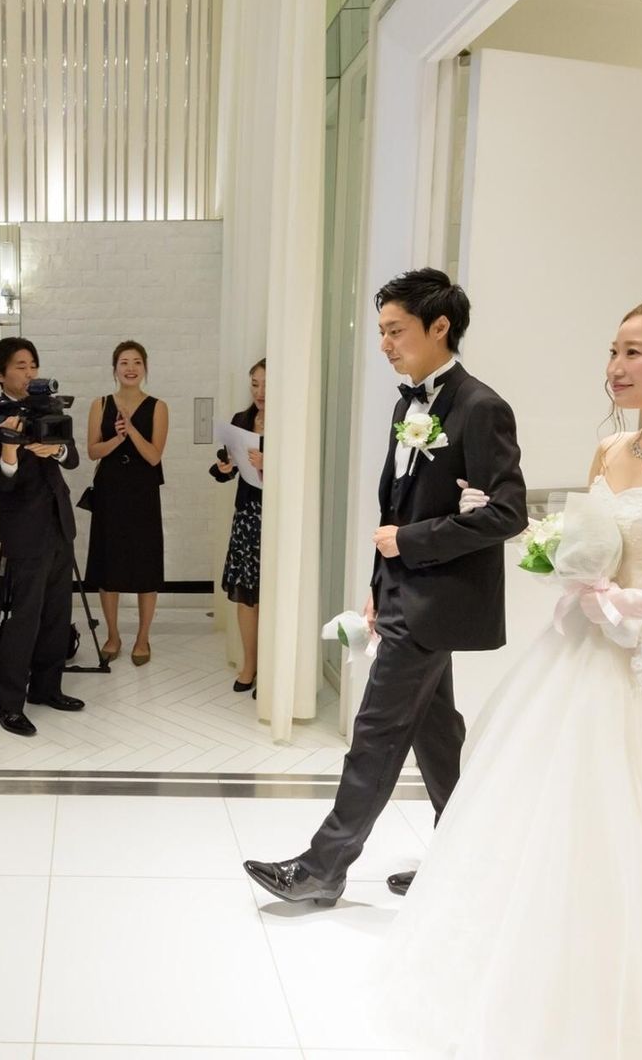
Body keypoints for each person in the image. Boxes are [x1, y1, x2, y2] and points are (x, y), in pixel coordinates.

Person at [374, 298, 642, 1058]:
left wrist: (634, 605)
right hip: (585, 651)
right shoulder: (611, 450)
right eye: (613, 350)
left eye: (634, 352)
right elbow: (586, 544)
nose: (615, 366)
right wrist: (558, 558)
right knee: (557, 817)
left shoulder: (481, 406)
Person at [243, 268, 527, 905]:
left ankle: (323, 868)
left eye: (395, 331)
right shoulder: (409, 405)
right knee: (436, 735)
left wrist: (411, 544)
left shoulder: (481, 407)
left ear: (440, 326)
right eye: (381, 331)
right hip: (405, 592)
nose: (385, 345)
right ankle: (465, 862)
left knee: (375, 732)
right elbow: (397, 506)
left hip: (438, 599)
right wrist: (381, 581)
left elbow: (508, 514)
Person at [0, 337, 84, 736]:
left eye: (33, 365)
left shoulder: (49, 406)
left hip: (59, 522)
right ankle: (7, 704)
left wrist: (54, 451)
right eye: (20, 366)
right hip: (23, 528)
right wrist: (9, 449)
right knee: (24, 617)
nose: (29, 373)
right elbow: (5, 482)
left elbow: (72, 457)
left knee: (57, 612)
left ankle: (46, 688)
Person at [84, 340, 168, 665]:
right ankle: (113, 634)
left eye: (136, 362)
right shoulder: (101, 404)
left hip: (143, 493)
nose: (130, 368)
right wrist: (117, 438)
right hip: (110, 491)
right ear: (115, 368)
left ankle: (143, 637)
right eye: (124, 362)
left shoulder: (158, 406)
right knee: (109, 565)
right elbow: (92, 451)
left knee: (146, 564)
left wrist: (131, 431)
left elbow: (154, 456)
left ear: (145, 368)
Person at [211, 358, 266, 696]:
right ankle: (249, 664)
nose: (260, 392)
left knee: (271, 595)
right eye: (255, 384)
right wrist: (225, 467)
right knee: (247, 597)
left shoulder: (288, 423)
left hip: (275, 517)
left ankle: (271, 669)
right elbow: (228, 470)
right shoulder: (241, 421)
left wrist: (269, 463)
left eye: (266, 384)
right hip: (247, 515)